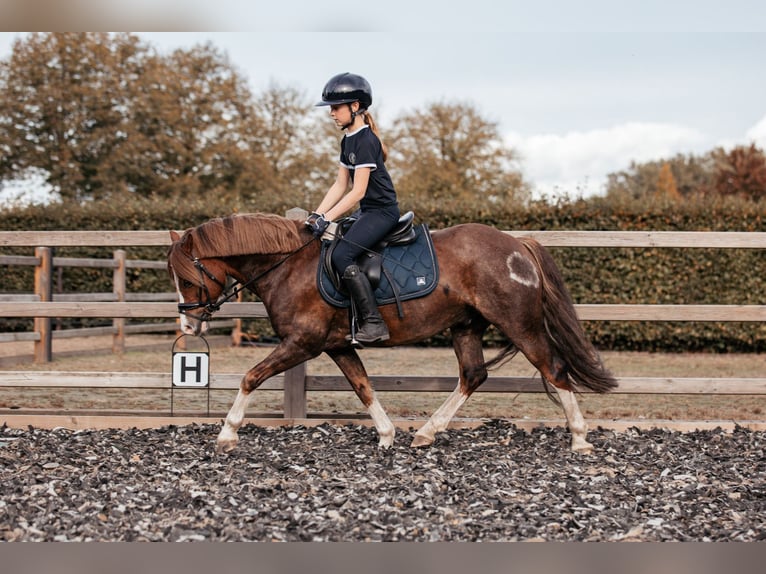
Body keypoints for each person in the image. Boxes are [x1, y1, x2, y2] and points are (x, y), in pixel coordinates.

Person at [307, 72, 400, 344]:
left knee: (341, 256)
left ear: (355, 107)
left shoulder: (366, 140)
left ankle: (373, 323)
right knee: (331, 248)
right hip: (367, 211)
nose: (331, 114)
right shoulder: (348, 139)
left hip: (382, 212)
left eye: (336, 108)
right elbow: (340, 184)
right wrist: (317, 215)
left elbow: (358, 191)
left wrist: (327, 218)